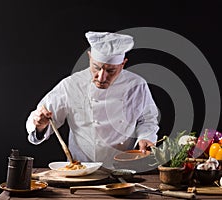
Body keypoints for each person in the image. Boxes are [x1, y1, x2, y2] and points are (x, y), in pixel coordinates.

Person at [26, 31, 159, 169]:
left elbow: (147, 118)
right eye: (96, 67)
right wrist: (40, 125)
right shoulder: (71, 85)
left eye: (111, 71)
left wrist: (146, 137)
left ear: (123, 64)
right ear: (89, 57)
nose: (101, 77)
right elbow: (41, 118)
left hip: (123, 169)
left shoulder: (137, 85)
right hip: (81, 168)